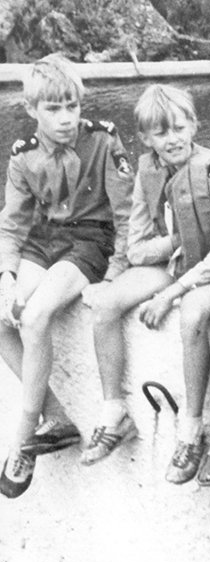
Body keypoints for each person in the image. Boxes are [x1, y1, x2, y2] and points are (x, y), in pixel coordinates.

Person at [84, 84, 210, 485]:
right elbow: (137, 249)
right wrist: (177, 240)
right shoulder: (148, 171)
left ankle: (191, 430)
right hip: (175, 261)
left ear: (194, 125)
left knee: (191, 316)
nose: (172, 139)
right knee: (105, 305)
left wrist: (172, 292)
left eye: (179, 128)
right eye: (160, 133)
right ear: (145, 138)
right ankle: (114, 413)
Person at [0, 54, 132, 498]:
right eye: (53, 109)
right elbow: (13, 225)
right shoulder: (24, 156)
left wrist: (115, 272)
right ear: (31, 109)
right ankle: (55, 417)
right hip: (45, 240)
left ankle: (21, 437)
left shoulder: (103, 141)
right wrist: (7, 273)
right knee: (3, 315)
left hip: (90, 242)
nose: (65, 118)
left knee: (35, 315)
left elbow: (127, 214)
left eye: (71, 107)